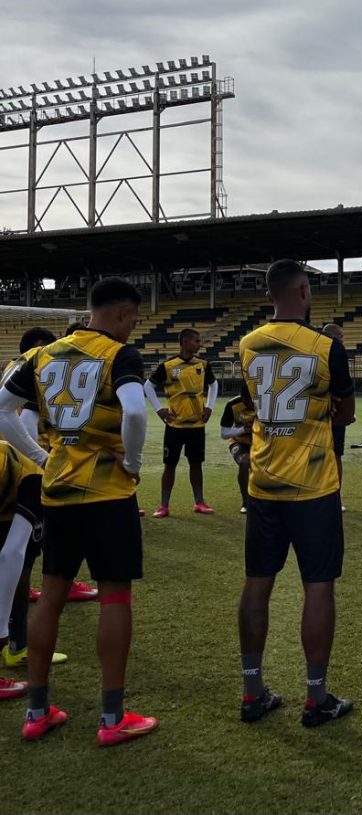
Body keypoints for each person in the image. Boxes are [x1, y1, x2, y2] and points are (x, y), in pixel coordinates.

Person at [0, 277, 156, 746]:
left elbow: (2, 408)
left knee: (50, 596)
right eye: (134, 319)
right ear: (123, 313)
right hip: (108, 493)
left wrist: (41, 456)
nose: (133, 327)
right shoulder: (119, 355)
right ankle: (112, 718)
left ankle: (37, 711)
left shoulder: (41, 355)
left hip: (58, 493)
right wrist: (132, 464)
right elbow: (135, 413)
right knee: (115, 597)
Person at [236, 260, 356, 727]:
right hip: (314, 484)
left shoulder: (247, 344)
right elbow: (345, 413)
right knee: (318, 585)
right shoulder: (326, 346)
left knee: (257, 583)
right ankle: (316, 697)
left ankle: (252, 693)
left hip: (264, 482)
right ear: (304, 291)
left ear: (271, 295)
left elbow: (251, 404)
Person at [3, 328, 97, 609]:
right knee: (33, 539)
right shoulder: (40, 367)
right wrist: (42, 460)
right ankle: (30, 601)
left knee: (16, 537)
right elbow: (27, 420)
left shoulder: (12, 366)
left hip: (8, 457)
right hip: (28, 464)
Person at [145, 328, 218, 517]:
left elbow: (214, 384)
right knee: (170, 465)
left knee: (196, 464)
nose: (199, 344)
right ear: (185, 342)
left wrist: (209, 406)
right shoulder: (168, 365)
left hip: (196, 425)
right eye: (196, 341)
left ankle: (199, 502)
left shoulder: (203, 364)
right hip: (174, 425)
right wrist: (159, 409)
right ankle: (163, 505)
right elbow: (148, 386)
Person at [0, 442, 44, 701]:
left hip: (19, 496)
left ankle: (16, 646)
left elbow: (12, 555)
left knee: (20, 572)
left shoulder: (30, 479)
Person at [322, 323, 349, 512]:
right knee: (333, 456)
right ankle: (333, 497)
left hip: (322, 413)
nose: (342, 342)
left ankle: (332, 496)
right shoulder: (336, 353)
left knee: (331, 455)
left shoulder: (315, 350)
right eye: (341, 337)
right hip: (332, 414)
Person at [220, 394, 255, 514]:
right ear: (243, 398)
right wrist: (243, 429)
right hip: (240, 441)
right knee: (245, 461)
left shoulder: (266, 402)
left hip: (261, 442)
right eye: (248, 401)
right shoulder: (232, 405)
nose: (251, 404)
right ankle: (246, 502)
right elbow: (224, 433)